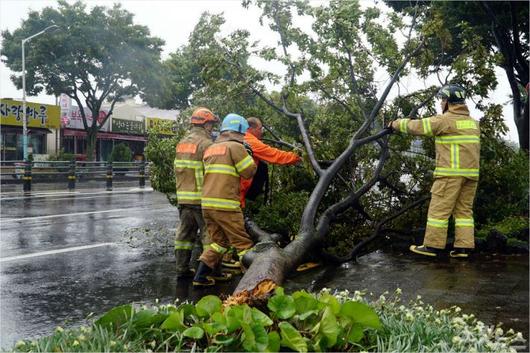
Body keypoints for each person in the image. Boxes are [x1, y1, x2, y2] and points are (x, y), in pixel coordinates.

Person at [388, 84, 480, 258]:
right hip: (471, 175)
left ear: (448, 102)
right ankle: (463, 248)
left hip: (449, 175)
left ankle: (432, 246)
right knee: (464, 212)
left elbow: (419, 126)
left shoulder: (444, 120)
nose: (440, 103)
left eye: (442, 100)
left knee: (439, 210)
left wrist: (395, 124)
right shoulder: (472, 123)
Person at [193, 113, 258, 286]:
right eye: (243, 133)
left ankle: (200, 277)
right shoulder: (235, 147)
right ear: (238, 131)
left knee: (219, 242)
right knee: (243, 243)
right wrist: (249, 156)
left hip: (207, 205)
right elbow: (248, 172)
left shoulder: (211, 148)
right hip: (226, 205)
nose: (244, 137)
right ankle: (253, 282)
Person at [173, 107, 219, 279]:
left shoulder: (182, 143)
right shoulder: (206, 144)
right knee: (210, 235)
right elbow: (213, 172)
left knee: (184, 235)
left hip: (183, 198)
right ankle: (210, 272)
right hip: (201, 198)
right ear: (206, 124)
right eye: (212, 125)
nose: (212, 128)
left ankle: (181, 268)